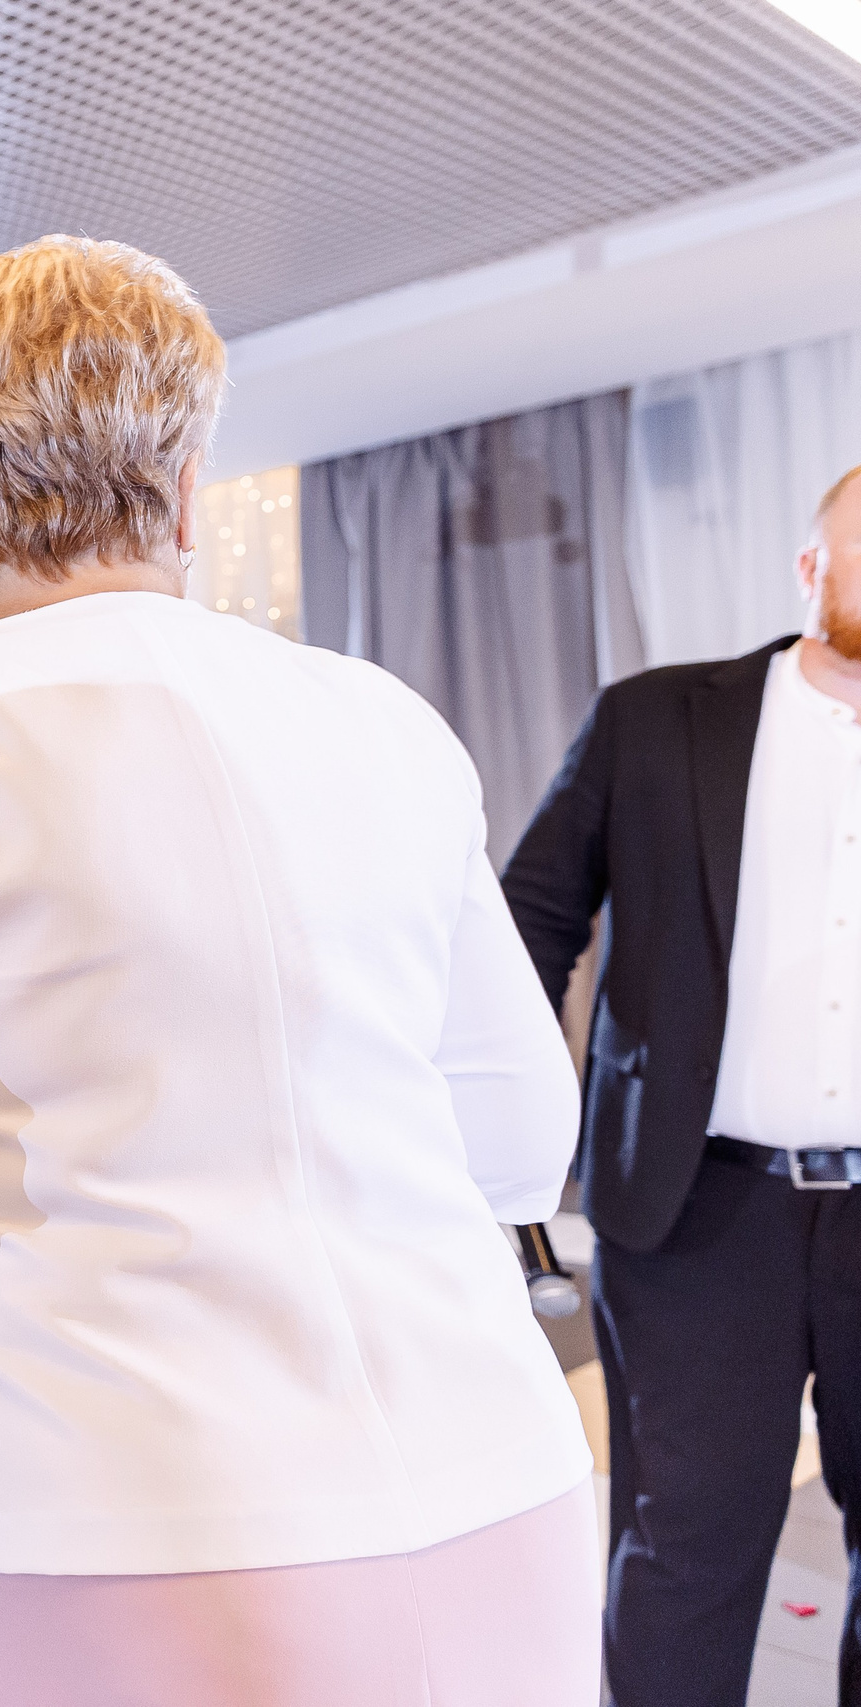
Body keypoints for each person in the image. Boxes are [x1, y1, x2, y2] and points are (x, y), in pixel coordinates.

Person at [0, 236, 596, 1707]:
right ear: (191, 484)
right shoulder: (383, 721)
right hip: (485, 1492)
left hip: (75, 1527)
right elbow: (520, 1132)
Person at [502, 463, 861, 1706]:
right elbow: (525, 930)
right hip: (701, 1213)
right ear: (809, 569)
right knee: (685, 1556)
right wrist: (504, 1158)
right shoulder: (656, 719)